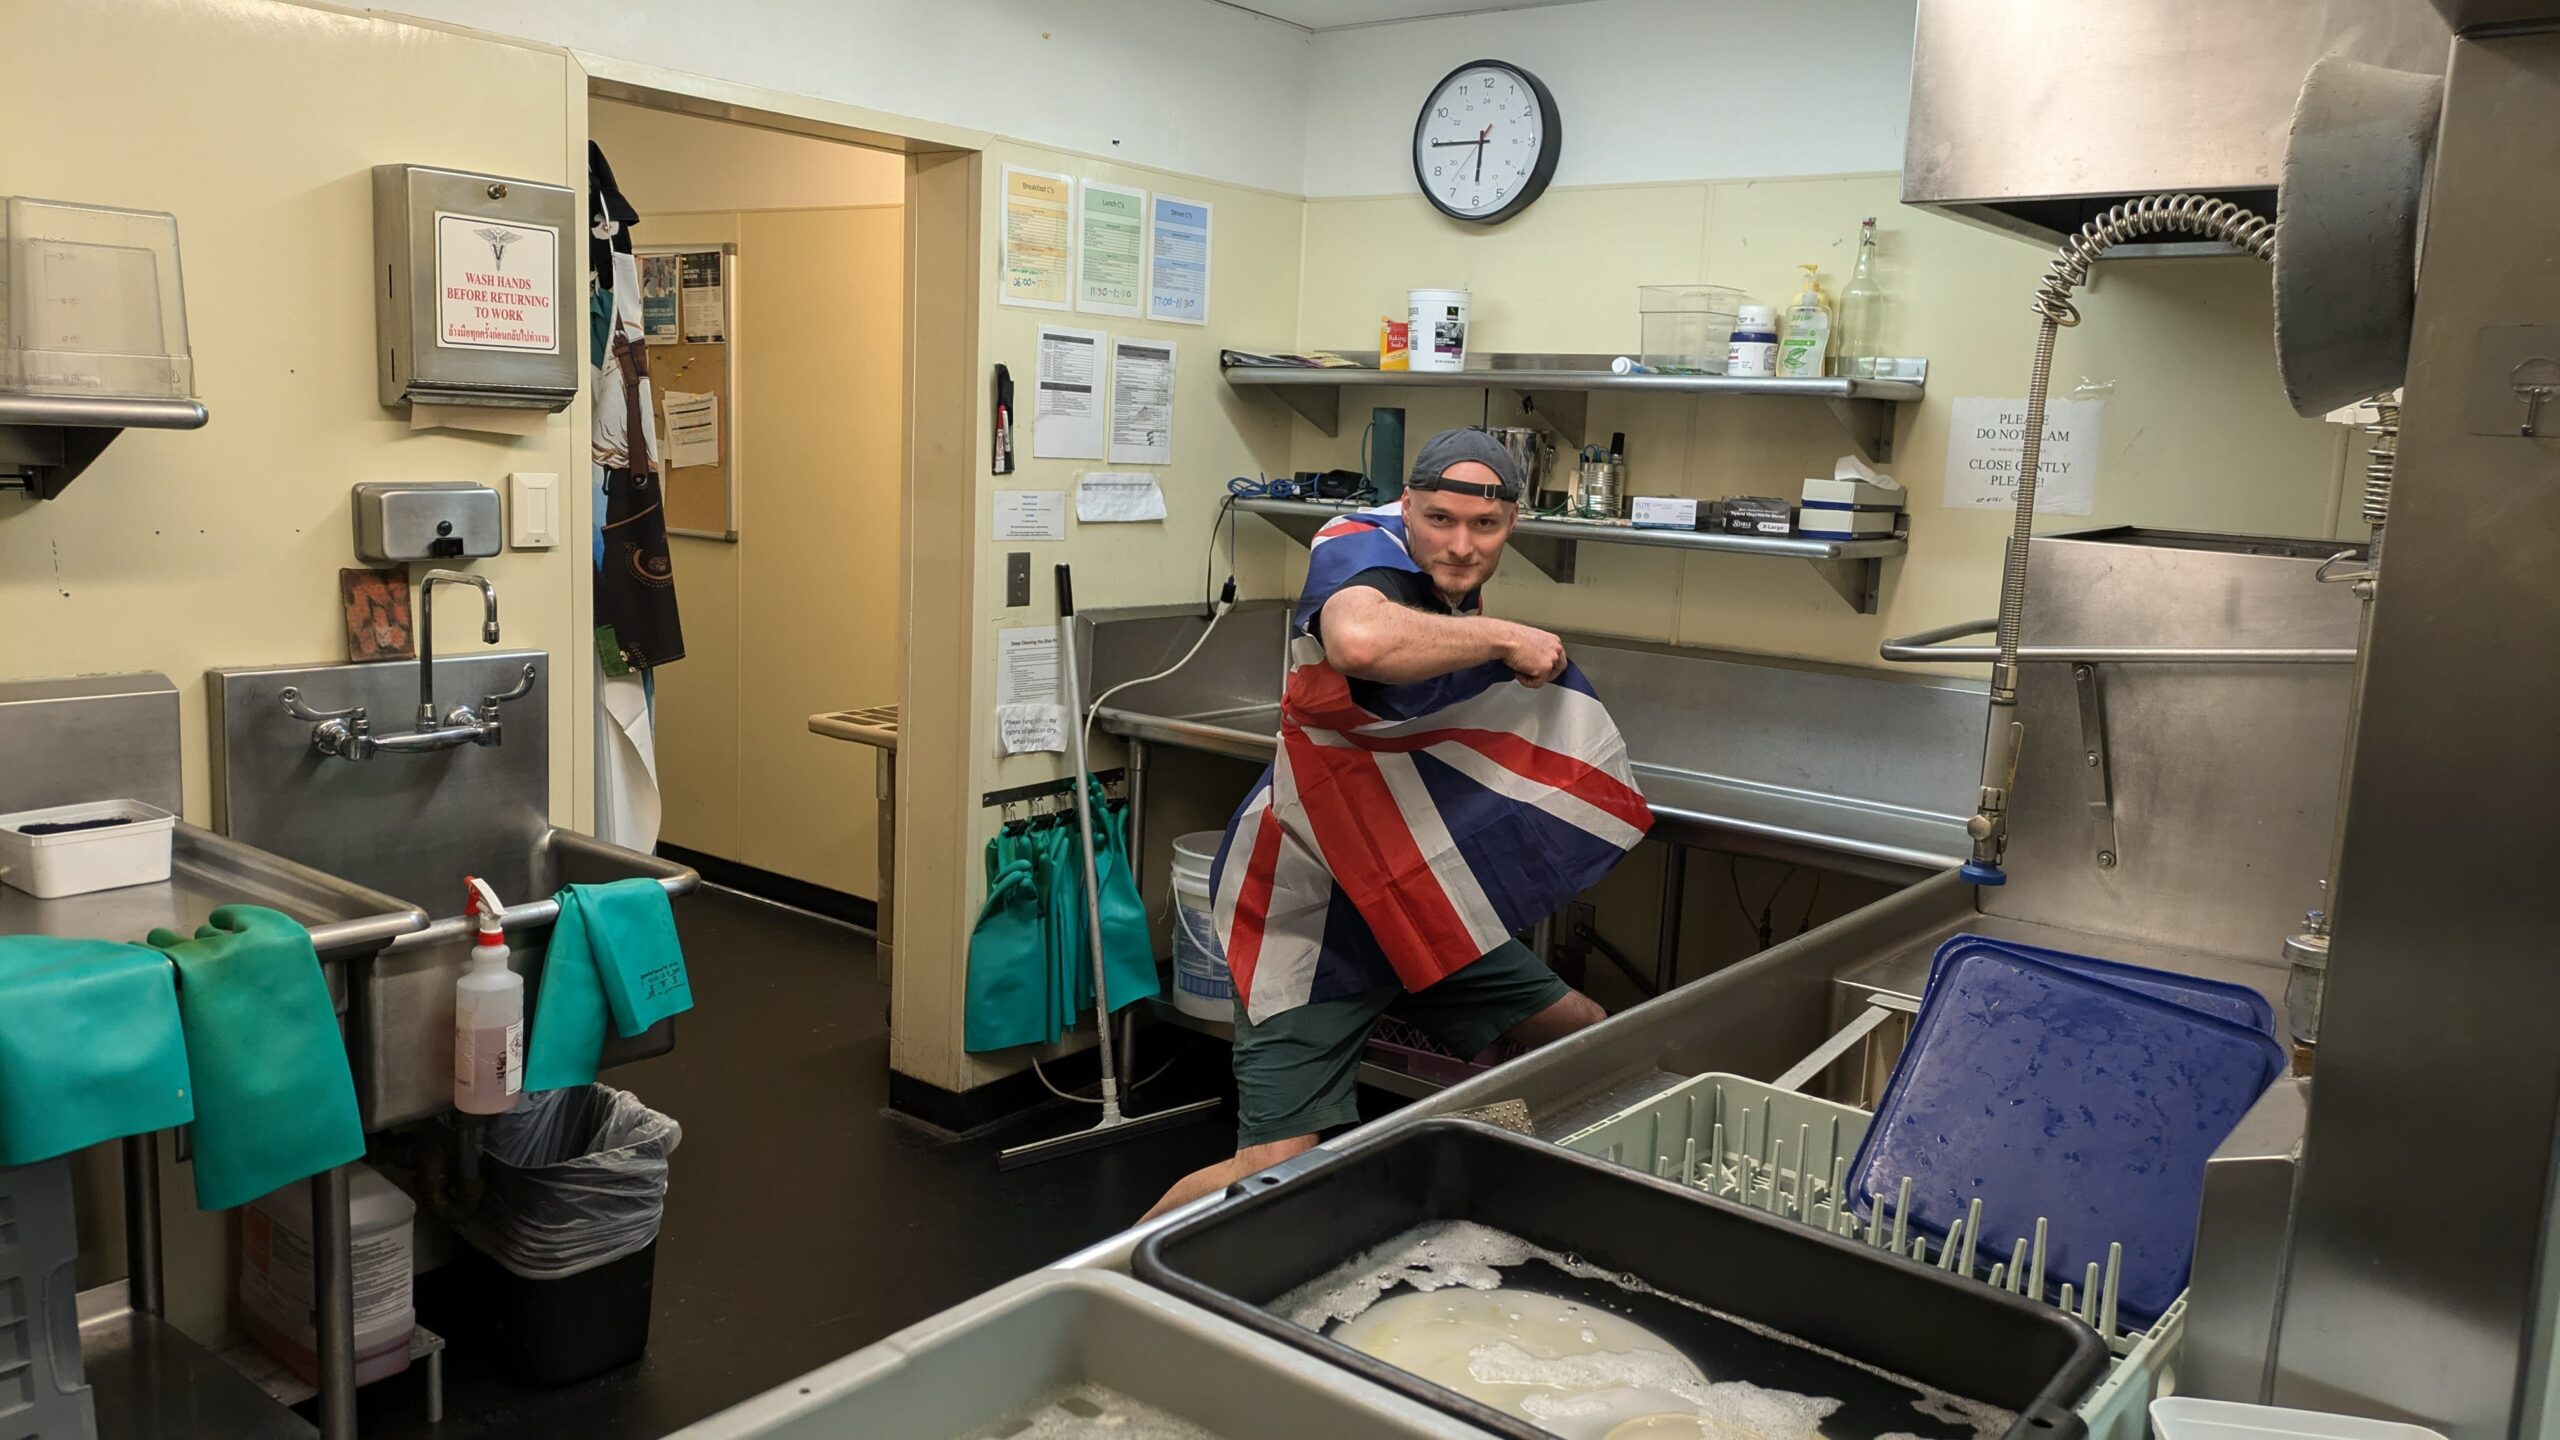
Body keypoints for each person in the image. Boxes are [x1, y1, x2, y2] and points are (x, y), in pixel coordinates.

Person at [1143, 429, 1652, 1220]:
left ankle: (1461, 1180)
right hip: (1308, 905)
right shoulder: (1359, 542)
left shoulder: (1449, 586)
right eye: (1440, 519)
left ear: (1512, 522)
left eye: (1482, 527)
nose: (1459, 545)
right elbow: (1358, 639)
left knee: (1582, 1034)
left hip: (1408, 893)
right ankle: (1106, 1284)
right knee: (1273, 1167)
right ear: (1406, 505)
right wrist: (1507, 635)